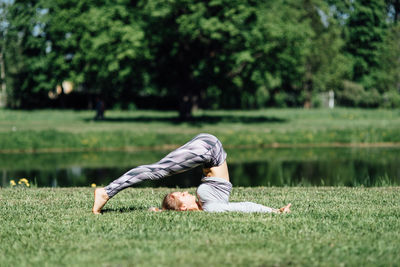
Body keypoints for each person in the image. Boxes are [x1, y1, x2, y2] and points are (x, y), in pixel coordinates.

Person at [92, 133, 291, 214]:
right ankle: (106, 191)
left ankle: (107, 191)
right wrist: (273, 211)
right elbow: (244, 207)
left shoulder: (203, 205)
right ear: (184, 208)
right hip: (208, 149)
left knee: (159, 170)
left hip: (208, 149)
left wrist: (161, 210)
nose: (185, 192)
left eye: (181, 194)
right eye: (182, 196)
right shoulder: (212, 208)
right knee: (158, 170)